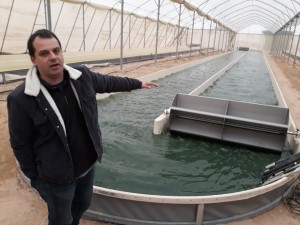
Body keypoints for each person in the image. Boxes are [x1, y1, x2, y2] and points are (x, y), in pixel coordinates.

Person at [7, 29, 159, 225]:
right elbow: (20, 144)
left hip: (87, 167)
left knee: (83, 205)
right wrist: (36, 177)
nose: (53, 57)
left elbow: (109, 82)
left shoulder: (82, 76)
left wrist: (137, 83)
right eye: (44, 53)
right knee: (61, 217)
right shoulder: (21, 99)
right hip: (56, 179)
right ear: (33, 59)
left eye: (56, 51)